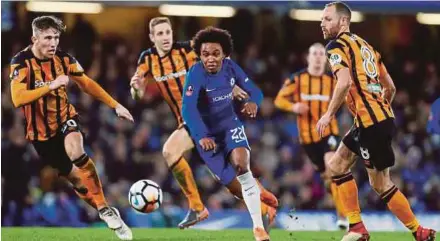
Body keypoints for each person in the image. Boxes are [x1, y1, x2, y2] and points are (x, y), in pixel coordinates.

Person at [130, 17, 277, 229]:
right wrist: (136, 88)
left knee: (170, 151)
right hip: (188, 120)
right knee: (229, 180)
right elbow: (138, 94)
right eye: (160, 34)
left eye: (168, 32)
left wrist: (230, 83)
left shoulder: (188, 51)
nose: (165, 37)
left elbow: (216, 60)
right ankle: (263, 203)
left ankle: (198, 207)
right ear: (152, 38)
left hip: (205, 114)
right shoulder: (147, 59)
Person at [317, 2, 436, 241]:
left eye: (328, 19)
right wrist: (378, 109)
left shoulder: (336, 46)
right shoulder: (367, 47)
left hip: (372, 123)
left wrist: (329, 114)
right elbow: (389, 87)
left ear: (343, 22)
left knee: (380, 184)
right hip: (372, 120)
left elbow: (344, 82)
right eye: (322, 19)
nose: (322, 23)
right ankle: (356, 227)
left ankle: (418, 231)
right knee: (337, 165)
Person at [9, 16, 133, 240]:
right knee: (77, 180)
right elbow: (18, 98)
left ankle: (105, 208)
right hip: (40, 136)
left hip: (66, 119)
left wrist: (116, 105)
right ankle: (103, 212)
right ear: (34, 39)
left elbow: (86, 83)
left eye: (56, 37)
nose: (53, 43)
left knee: (76, 151)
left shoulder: (64, 60)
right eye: (48, 38)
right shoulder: (21, 63)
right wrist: (51, 86)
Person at [182, 26, 271, 241]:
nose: (210, 59)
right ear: (199, 55)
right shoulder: (195, 73)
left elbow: (256, 92)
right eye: (205, 54)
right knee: (236, 188)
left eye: (215, 54)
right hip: (207, 137)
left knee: (242, 165)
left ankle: (258, 229)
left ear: (225, 54)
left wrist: (252, 102)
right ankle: (266, 204)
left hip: (230, 125)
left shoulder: (231, 68)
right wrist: (202, 135)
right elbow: (188, 108)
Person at [274, 42, 347, 229]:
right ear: (308, 57)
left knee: (333, 167)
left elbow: (346, 95)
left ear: (326, 58)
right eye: (314, 53)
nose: (317, 56)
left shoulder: (332, 81)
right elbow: (279, 99)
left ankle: (343, 216)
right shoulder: (298, 79)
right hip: (307, 138)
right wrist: (293, 107)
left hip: (329, 132)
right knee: (327, 177)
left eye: (321, 53)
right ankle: (338, 201)